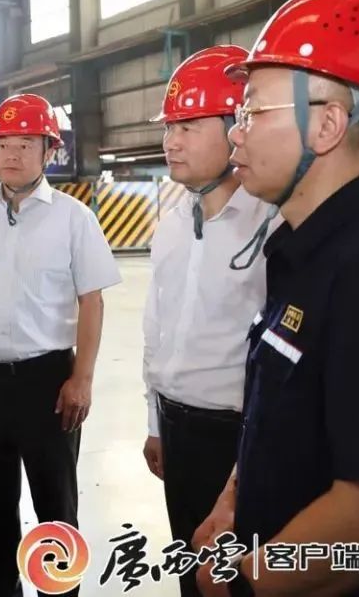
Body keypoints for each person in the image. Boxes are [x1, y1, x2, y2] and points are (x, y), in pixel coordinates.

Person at [194, 0, 359, 597]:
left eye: (252, 112)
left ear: (327, 124)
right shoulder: (298, 249)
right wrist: (233, 497)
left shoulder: (358, 269)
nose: (234, 133)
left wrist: (247, 584)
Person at [0, 93, 121, 597]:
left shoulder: (74, 218)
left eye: (26, 144)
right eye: (4, 144)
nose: (13, 154)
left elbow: (92, 300)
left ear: (49, 151)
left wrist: (82, 378)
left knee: (54, 504)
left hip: (48, 381)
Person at [141, 46, 274, 597]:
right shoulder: (172, 223)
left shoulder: (272, 227)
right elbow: (155, 328)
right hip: (177, 432)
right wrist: (155, 421)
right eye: (169, 127)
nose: (171, 141)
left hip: (241, 442)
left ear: (237, 127)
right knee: (190, 577)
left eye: (188, 127)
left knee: (238, 581)